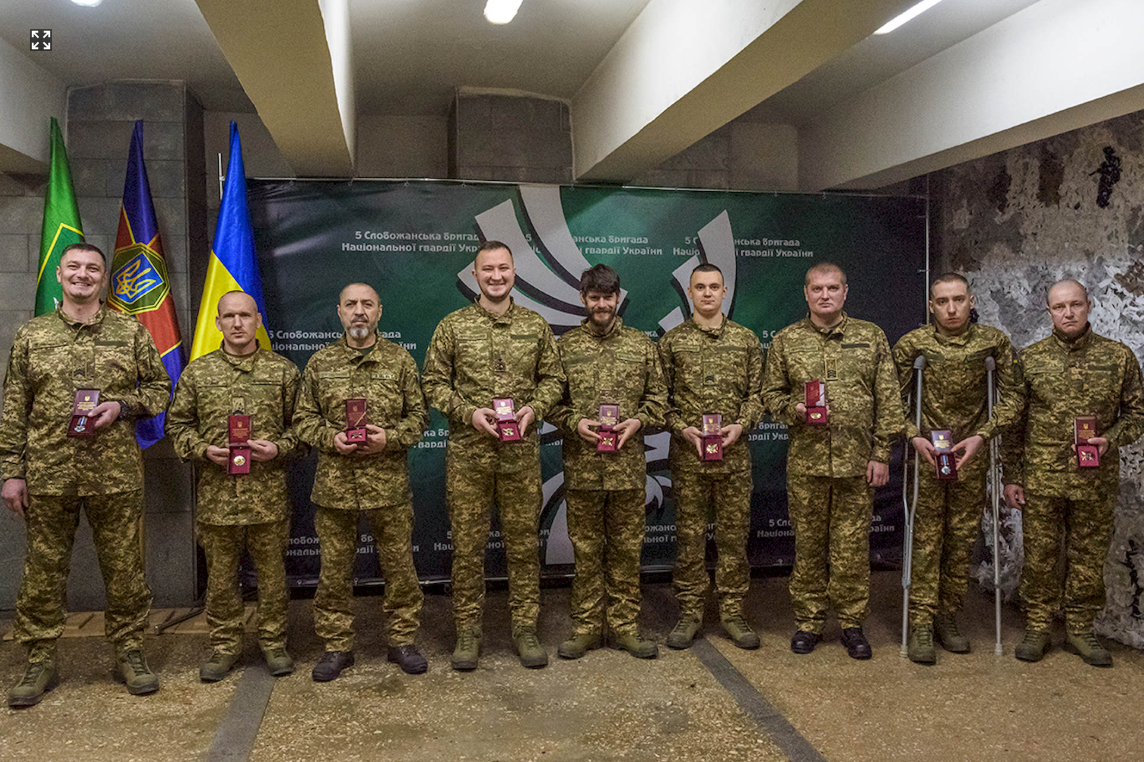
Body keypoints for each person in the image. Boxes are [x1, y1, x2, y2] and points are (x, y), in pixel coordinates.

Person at [1, 243, 171, 706]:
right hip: (48, 475)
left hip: (114, 474)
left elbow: (160, 388)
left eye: (92, 268)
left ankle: (130, 651)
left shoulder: (129, 332)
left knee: (124, 568)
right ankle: (39, 659)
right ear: (59, 275)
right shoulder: (32, 335)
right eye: (73, 267)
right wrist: (11, 472)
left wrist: (122, 406)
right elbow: (14, 409)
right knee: (43, 571)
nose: (83, 275)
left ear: (103, 278)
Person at [422, 240, 565, 670]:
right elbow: (433, 382)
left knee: (523, 546)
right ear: (475, 275)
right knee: (468, 548)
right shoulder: (453, 326)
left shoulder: (535, 326)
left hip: (520, 457)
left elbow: (554, 380)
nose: (496, 276)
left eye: (503, 268)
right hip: (469, 458)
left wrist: (533, 409)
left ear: (514, 273)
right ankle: (468, 631)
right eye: (488, 269)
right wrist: (468, 413)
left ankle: (525, 628)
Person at [762, 262, 902, 659]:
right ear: (806, 294)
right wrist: (793, 409)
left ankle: (852, 623)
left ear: (845, 292)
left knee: (852, 548)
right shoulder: (787, 341)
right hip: (807, 465)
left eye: (833, 288)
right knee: (808, 547)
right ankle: (808, 622)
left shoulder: (870, 336)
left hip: (857, 464)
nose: (825, 295)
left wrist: (881, 454)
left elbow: (889, 400)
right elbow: (770, 395)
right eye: (818, 289)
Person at [1001, 279, 1144, 667]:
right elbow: (1014, 424)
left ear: (1089, 306)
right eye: (1060, 307)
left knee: (1088, 557)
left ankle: (1080, 628)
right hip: (1042, 478)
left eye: (1075, 305)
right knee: (1040, 557)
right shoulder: (1029, 359)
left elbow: (1137, 415)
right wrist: (1012, 476)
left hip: (1095, 480)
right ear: (1048, 311)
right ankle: (1038, 626)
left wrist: (1111, 439)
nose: (1068, 313)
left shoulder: (1118, 358)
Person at [293, 283, 429, 680]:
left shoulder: (400, 361)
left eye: (367, 304)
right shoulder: (320, 363)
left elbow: (419, 418)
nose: (359, 311)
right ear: (339, 311)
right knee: (334, 572)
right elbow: (302, 419)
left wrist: (390, 438)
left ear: (379, 312)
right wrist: (329, 438)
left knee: (400, 569)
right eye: (350, 304)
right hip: (335, 487)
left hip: (388, 486)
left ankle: (402, 640)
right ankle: (337, 646)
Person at [166, 291, 302, 681]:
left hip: (267, 498)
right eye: (229, 316)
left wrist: (278, 448)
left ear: (258, 320)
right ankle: (224, 646)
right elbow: (177, 426)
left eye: (245, 315)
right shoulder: (198, 373)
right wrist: (202, 450)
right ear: (218, 323)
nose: (237, 323)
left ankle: (274, 643)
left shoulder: (283, 372)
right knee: (221, 579)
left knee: (272, 577)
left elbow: (304, 429)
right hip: (217, 498)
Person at [892, 273, 1014, 664]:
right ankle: (921, 621)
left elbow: (1014, 399)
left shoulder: (992, 343)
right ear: (931, 306)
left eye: (958, 299)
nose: (951, 308)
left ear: (971, 300)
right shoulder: (913, 344)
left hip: (971, 458)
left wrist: (983, 435)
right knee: (926, 540)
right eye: (942, 301)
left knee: (960, 540)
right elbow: (890, 399)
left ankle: (948, 614)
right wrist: (913, 436)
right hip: (927, 458)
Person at [548, 265, 667, 660]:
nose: (602, 304)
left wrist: (638, 421)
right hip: (582, 468)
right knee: (585, 551)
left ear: (618, 298)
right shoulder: (564, 348)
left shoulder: (641, 346)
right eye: (594, 297)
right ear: (584, 299)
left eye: (608, 297)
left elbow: (659, 401)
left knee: (626, 551)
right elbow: (549, 403)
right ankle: (585, 628)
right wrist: (574, 422)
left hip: (628, 470)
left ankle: (624, 627)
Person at [657, 263, 765, 651]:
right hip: (689, 460)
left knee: (733, 538)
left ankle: (733, 612)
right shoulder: (671, 343)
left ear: (724, 291)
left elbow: (758, 395)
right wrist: (682, 428)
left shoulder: (746, 341)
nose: (707, 293)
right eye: (700, 287)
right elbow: (660, 400)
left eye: (714, 287)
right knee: (689, 538)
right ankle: (690, 612)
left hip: (734, 459)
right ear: (689, 292)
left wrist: (741, 425)